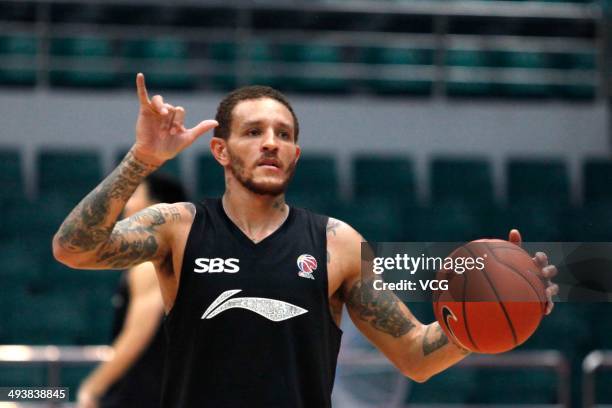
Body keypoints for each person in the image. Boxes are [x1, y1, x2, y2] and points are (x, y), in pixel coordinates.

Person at [53, 73, 559, 407]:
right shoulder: (178, 226)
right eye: (253, 132)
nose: (271, 141)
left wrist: (483, 321)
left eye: (284, 133)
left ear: (295, 154)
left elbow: (414, 355)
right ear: (221, 151)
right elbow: (72, 248)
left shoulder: (338, 243)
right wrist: (142, 157)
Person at [77, 173, 188, 408]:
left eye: (134, 195)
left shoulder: (151, 264)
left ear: (157, 209)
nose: (126, 205)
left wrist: (94, 386)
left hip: (145, 389)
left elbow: (138, 334)